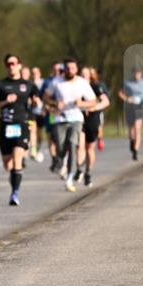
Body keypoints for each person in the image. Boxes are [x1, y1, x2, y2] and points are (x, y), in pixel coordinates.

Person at [0, 54, 37, 206]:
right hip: (6, 126)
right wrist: (4, 102)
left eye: (14, 63)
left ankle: (14, 193)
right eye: (9, 64)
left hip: (22, 124)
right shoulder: (0, 85)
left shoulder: (28, 85)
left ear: (19, 65)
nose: (11, 66)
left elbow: (37, 100)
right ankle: (16, 174)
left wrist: (37, 101)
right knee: (8, 164)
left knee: (17, 159)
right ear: (6, 66)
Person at [50, 58, 96, 192]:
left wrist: (82, 104)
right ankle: (60, 161)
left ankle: (70, 177)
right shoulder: (57, 81)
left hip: (76, 119)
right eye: (68, 68)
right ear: (64, 69)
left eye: (73, 68)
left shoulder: (82, 83)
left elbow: (93, 101)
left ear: (76, 69)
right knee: (61, 148)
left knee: (72, 144)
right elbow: (46, 97)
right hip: (60, 119)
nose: (70, 71)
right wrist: (54, 103)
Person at [77, 66, 111, 187]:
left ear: (90, 76)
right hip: (79, 118)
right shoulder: (75, 87)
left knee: (89, 148)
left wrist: (94, 108)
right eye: (81, 74)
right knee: (80, 145)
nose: (83, 76)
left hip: (92, 119)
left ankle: (88, 172)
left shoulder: (96, 86)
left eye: (86, 74)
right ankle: (79, 168)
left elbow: (106, 101)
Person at [118, 68, 143, 161]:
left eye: (138, 74)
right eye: (135, 74)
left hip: (139, 106)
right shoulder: (127, 83)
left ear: (141, 74)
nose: (137, 75)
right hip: (130, 107)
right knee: (131, 128)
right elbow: (120, 93)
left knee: (137, 128)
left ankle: (136, 150)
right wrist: (127, 99)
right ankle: (132, 142)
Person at [28, 66, 46, 162]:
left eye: (36, 73)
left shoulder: (44, 83)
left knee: (40, 132)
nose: (34, 75)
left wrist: (44, 107)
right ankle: (33, 149)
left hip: (41, 111)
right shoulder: (29, 84)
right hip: (32, 112)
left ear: (39, 73)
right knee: (32, 130)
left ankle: (37, 147)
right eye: (33, 73)